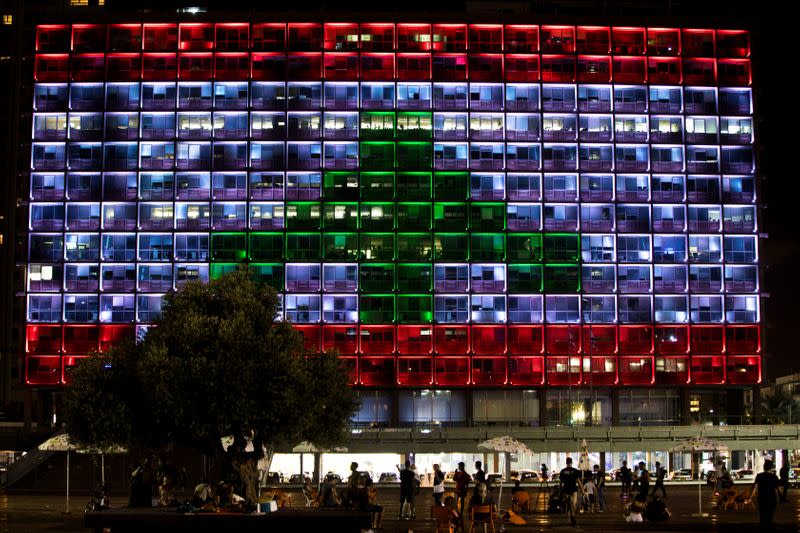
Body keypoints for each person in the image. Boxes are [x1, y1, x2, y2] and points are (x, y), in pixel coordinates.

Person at [749, 459, 781, 528]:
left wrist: (750, 498)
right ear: (771, 467)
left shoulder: (759, 476)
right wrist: (781, 498)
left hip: (762, 498)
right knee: (770, 516)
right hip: (772, 499)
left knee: (762, 516)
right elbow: (778, 489)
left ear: (764, 466)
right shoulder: (774, 477)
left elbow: (754, 487)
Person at [558, 457, 582, 526]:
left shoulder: (563, 471)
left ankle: (568, 518)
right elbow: (578, 481)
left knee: (567, 504)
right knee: (573, 504)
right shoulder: (575, 471)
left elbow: (561, 482)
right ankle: (573, 515)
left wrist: (560, 491)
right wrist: (582, 490)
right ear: (571, 462)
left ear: (566, 463)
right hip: (573, 489)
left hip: (565, 489)